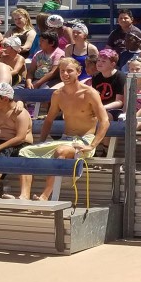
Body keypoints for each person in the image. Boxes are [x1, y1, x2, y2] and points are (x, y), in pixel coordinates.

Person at [18, 58, 110, 201]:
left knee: (61, 151)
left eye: (69, 71)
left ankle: (44, 196)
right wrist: (41, 141)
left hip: (85, 141)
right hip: (66, 139)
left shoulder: (90, 93)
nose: (65, 74)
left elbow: (105, 121)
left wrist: (91, 145)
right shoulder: (58, 94)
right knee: (25, 152)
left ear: (78, 72)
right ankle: (24, 195)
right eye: (62, 71)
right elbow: (49, 120)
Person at [91, 48, 126, 119]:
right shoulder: (96, 76)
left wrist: (102, 108)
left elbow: (119, 102)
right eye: (98, 60)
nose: (99, 63)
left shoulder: (120, 77)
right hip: (99, 107)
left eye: (103, 61)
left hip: (114, 110)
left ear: (112, 64)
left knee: (102, 117)